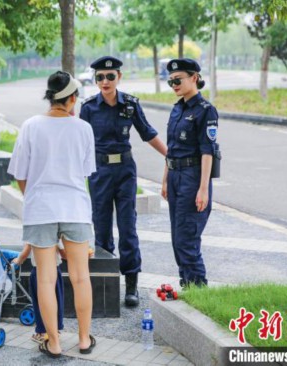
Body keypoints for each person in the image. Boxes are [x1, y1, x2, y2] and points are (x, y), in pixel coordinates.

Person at [8, 71, 96, 358]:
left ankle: (54, 342)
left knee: (46, 277)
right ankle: (84, 339)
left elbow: (20, 175)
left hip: (40, 209)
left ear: (50, 97)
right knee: (81, 277)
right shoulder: (83, 128)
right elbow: (84, 174)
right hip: (75, 207)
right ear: (71, 98)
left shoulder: (31, 126)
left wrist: (33, 195)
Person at [79, 56, 167, 307]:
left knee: (128, 229)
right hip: (99, 172)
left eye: (110, 76)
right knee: (102, 228)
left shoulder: (130, 104)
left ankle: (131, 285)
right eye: (99, 77)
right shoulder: (88, 108)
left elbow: (148, 133)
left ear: (119, 77)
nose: (104, 81)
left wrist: (170, 155)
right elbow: (80, 143)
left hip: (125, 172)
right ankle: (105, 283)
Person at [161, 58, 219, 288]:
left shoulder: (206, 111)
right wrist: (165, 179)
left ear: (194, 78)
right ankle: (187, 285)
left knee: (187, 238)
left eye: (178, 79)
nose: (174, 84)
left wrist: (203, 189)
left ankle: (198, 288)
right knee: (177, 238)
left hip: (192, 178)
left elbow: (208, 151)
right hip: (175, 177)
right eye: (171, 81)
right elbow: (171, 147)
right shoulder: (177, 109)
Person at [12, 243, 65, 344]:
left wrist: (18, 260)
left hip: (39, 270)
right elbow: (63, 252)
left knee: (40, 302)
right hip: (55, 270)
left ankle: (43, 332)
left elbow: (27, 249)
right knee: (57, 300)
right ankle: (55, 330)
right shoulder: (57, 228)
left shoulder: (35, 228)